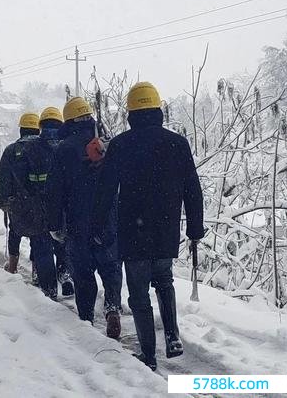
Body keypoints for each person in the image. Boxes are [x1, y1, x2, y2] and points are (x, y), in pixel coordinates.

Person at [92, 82, 204, 371]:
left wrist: (98, 224)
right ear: (158, 109)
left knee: (139, 292)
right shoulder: (177, 143)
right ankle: (172, 335)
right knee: (164, 280)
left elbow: (104, 191)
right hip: (165, 229)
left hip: (133, 230)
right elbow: (193, 188)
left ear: (131, 112)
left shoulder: (120, 145)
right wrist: (195, 227)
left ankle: (149, 355)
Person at [53, 97, 123, 338]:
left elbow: (55, 190)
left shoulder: (63, 149)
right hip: (108, 219)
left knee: (83, 274)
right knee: (110, 266)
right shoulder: (107, 144)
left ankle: (86, 319)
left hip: (78, 221)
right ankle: (113, 307)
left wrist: (55, 225)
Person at [0, 112, 58, 299]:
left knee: (15, 232)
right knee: (41, 242)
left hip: (19, 207)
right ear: (37, 129)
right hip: (42, 205)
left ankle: (13, 266)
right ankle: (46, 283)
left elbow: (3, 179)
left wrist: (4, 201)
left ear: (21, 129)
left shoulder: (11, 151)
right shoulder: (46, 148)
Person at [38, 106, 74, 297]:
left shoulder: (32, 147)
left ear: (41, 126)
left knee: (43, 247)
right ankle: (65, 274)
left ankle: (49, 288)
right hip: (64, 207)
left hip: (38, 206)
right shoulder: (66, 146)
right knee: (62, 244)